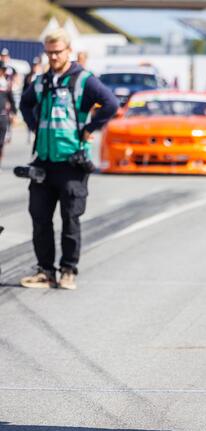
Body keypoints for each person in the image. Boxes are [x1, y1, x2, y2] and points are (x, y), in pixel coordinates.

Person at [18, 29, 119, 290]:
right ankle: (45, 271)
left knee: (70, 219)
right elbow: (25, 104)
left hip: (72, 163)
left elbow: (110, 103)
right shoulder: (41, 82)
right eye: (49, 52)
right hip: (43, 161)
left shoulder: (83, 80)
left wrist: (89, 129)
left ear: (68, 51)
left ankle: (68, 270)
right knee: (40, 218)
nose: (53, 57)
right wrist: (33, 127)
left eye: (58, 52)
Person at [0, 62, 17, 167]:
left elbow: (11, 99)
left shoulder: (6, 83)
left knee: (1, 142)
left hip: (3, 116)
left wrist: (14, 113)